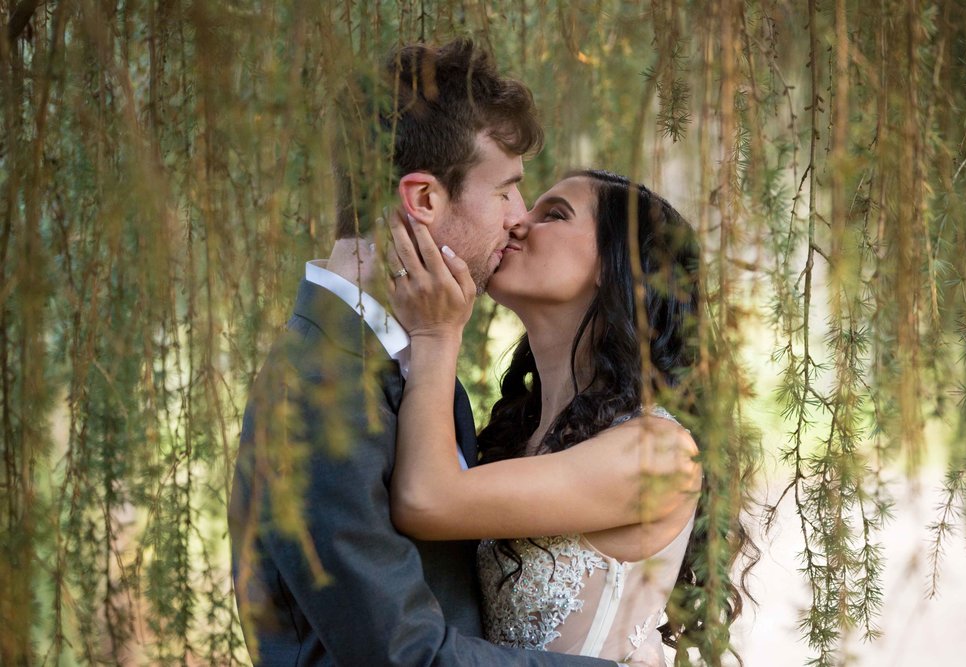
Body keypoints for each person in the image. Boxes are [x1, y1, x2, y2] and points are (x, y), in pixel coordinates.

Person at [228, 41, 617, 665]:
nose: (520, 219)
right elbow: (404, 655)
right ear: (425, 200)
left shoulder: (408, 359)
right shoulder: (317, 388)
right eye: (507, 191)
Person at [386, 170, 749, 664]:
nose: (516, 221)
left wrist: (435, 335)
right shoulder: (523, 435)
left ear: (620, 266)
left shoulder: (658, 452)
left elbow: (425, 500)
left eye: (554, 214)